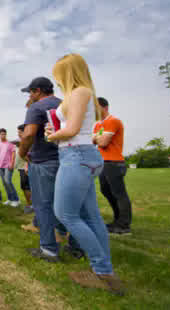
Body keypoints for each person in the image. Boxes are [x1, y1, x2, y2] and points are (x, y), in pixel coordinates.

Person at [47, 53, 124, 295]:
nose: (57, 79)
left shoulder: (79, 92)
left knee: (65, 213)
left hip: (76, 156)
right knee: (91, 217)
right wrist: (56, 130)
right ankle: (104, 270)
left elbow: (70, 130)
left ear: (67, 73)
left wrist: (52, 135)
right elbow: (74, 128)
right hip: (79, 154)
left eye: (58, 74)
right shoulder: (81, 93)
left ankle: (102, 271)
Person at [19, 76, 81, 261]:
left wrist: (22, 153)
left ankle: (48, 249)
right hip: (68, 159)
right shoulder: (65, 104)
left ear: (37, 91)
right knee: (70, 205)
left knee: (43, 205)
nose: (30, 96)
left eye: (30, 92)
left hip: (43, 161)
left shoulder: (36, 107)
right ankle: (76, 246)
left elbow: (29, 134)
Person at [93, 97, 132, 236]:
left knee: (119, 194)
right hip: (103, 162)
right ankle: (118, 220)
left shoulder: (113, 121)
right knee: (106, 190)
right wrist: (98, 138)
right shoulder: (98, 124)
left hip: (114, 162)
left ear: (105, 107)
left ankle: (124, 226)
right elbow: (93, 140)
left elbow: (102, 142)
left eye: (95, 107)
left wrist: (98, 138)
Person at [0, 128, 20, 207]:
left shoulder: (10, 143)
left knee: (8, 181)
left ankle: (16, 199)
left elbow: (13, 153)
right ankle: (10, 199)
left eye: (4, 134)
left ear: (6, 134)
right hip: (0, 166)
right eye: (1, 134)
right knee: (4, 183)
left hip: (8, 165)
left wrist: (12, 163)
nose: (3, 135)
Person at [15, 126, 33, 214]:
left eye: (20, 132)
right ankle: (30, 204)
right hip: (21, 167)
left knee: (26, 187)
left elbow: (29, 157)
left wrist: (27, 164)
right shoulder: (21, 141)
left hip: (26, 168)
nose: (18, 134)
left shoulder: (27, 141)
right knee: (25, 186)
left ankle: (30, 205)